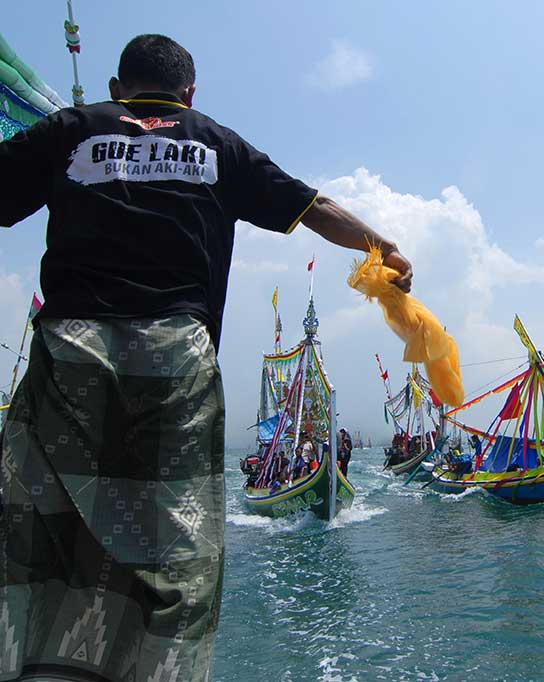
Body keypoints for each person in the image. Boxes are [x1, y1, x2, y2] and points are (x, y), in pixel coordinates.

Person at [0, 34, 412, 682]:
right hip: (173, 358)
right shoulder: (216, 142)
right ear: (190, 94)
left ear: (116, 88)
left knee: (38, 524)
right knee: (180, 552)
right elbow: (316, 209)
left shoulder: (72, 129)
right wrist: (382, 246)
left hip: (70, 350)